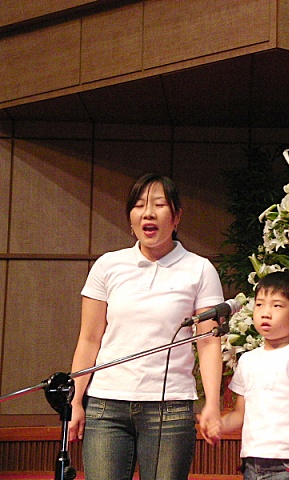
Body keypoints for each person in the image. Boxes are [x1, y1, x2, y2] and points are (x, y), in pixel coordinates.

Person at [68, 173, 225, 480]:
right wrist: (75, 400)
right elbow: (89, 339)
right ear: (130, 218)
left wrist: (213, 404)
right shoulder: (108, 265)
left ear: (176, 217)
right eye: (139, 205)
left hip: (170, 408)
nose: (148, 213)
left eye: (159, 205)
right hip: (106, 406)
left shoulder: (199, 269)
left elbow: (208, 342)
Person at [214, 270, 289, 480]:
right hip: (251, 463)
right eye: (259, 304)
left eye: (277, 306)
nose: (265, 313)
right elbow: (240, 414)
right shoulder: (247, 360)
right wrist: (218, 425)